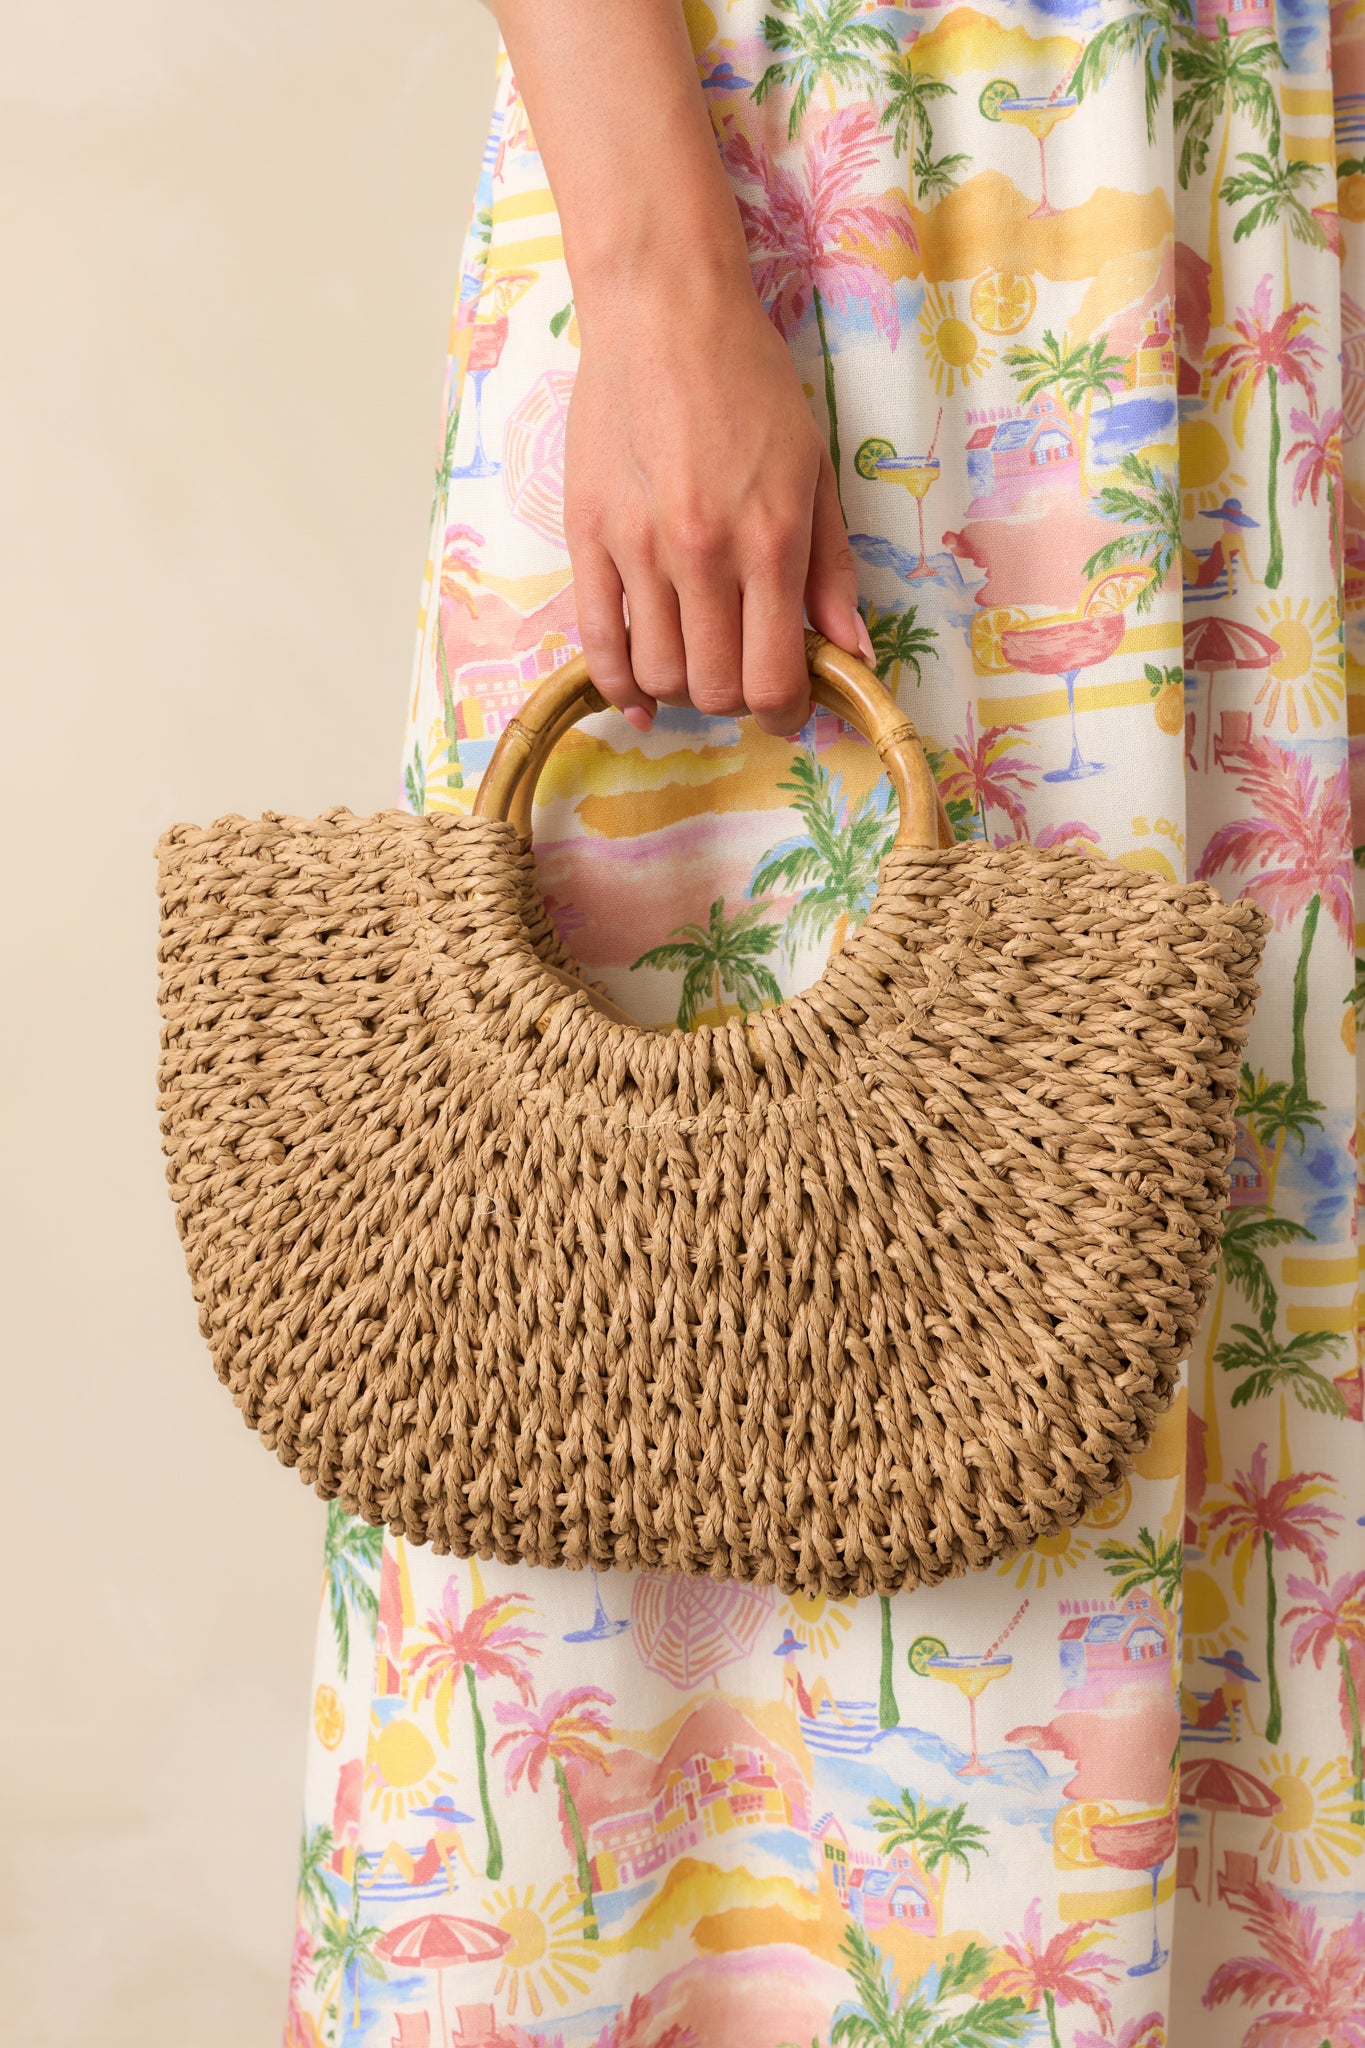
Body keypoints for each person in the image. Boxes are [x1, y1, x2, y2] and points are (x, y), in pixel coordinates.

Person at [285, 4, 1365, 2043]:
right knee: (624, 1337)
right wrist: (655, 279)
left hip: (1257, 262)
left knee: (1228, 1361)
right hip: (824, 222)